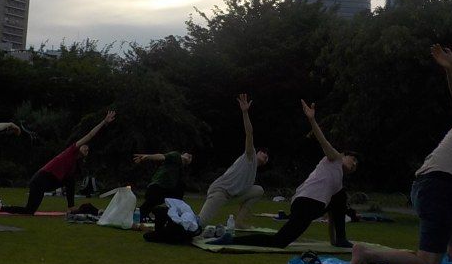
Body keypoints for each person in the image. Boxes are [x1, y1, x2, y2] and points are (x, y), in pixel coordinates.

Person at [351, 44, 452, 264]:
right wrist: (450, 69)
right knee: (428, 262)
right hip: (435, 188)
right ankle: (367, 253)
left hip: (429, 189)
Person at [209, 99, 356, 249]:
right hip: (306, 204)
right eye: (353, 159)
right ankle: (231, 240)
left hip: (314, 206)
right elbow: (323, 141)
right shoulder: (335, 158)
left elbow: (334, 214)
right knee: (279, 241)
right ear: (343, 155)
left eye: (356, 165)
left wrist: (334, 240)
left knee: (340, 197)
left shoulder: (338, 183)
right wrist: (311, 119)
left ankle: (341, 239)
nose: (354, 164)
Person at [2, 110, 115, 214]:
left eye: (88, 149)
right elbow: (90, 135)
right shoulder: (71, 151)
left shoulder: (76, 163)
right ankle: (1, 208)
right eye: (84, 146)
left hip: (51, 182)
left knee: (70, 179)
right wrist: (104, 122)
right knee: (29, 211)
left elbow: (69, 182)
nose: (86, 148)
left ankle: (71, 207)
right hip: (40, 180)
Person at [198, 94, 269, 228]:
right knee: (199, 224)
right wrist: (245, 112)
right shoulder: (250, 155)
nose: (265, 154)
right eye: (263, 152)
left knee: (258, 190)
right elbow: (249, 133)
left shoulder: (252, 173)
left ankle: (238, 222)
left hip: (233, 196)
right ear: (257, 152)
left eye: (267, 156)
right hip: (220, 192)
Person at [133, 150, 193, 224]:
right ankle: (135, 216)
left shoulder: (179, 167)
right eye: (187, 155)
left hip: (166, 188)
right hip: (159, 186)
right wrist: (147, 157)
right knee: (149, 205)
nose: (189, 157)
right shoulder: (176, 156)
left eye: (190, 157)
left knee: (175, 199)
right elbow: (162, 156)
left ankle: (170, 219)